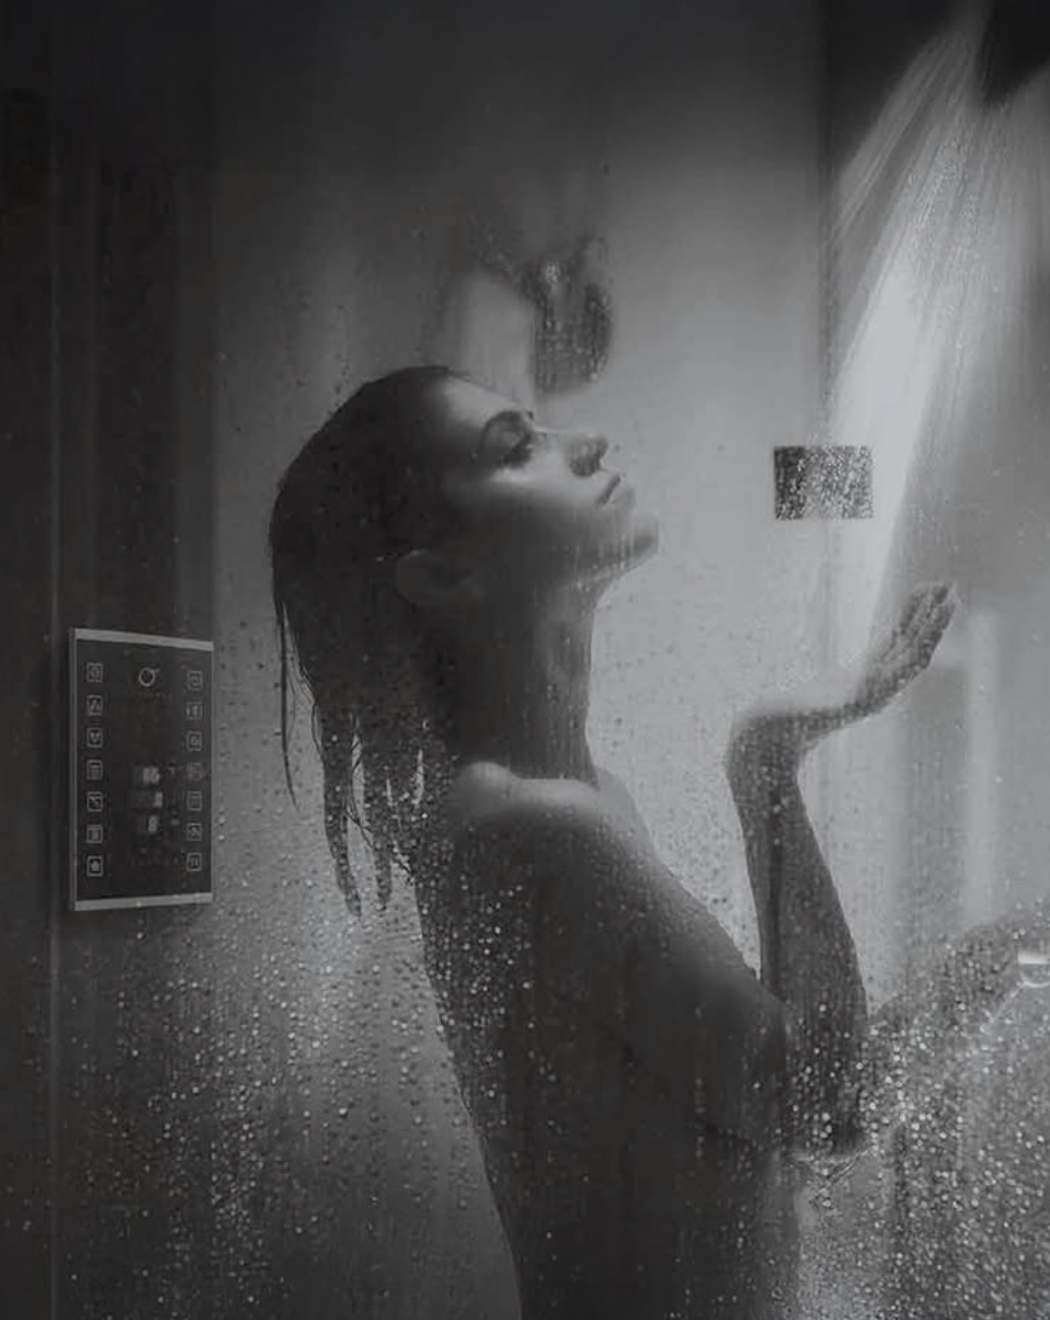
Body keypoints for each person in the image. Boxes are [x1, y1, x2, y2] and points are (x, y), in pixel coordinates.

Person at [268, 364, 957, 1320]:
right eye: (518, 446)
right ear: (442, 574)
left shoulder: (554, 804)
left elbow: (744, 1114)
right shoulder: (536, 829)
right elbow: (825, 1106)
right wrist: (763, 765)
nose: (586, 443)